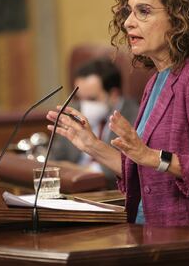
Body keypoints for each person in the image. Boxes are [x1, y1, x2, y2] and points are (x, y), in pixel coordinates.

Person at [47, 0, 189, 226]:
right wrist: (91, 145)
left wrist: (153, 157)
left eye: (143, 11)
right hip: (151, 230)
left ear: (179, 19)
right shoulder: (156, 81)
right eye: (128, 12)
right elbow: (142, 170)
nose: (128, 22)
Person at [50, 58, 139, 189]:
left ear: (114, 94)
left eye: (92, 99)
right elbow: (54, 160)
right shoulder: (73, 112)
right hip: (72, 188)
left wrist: (80, 171)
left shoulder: (136, 116)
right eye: (79, 98)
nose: (84, 105)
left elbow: (127, 169)